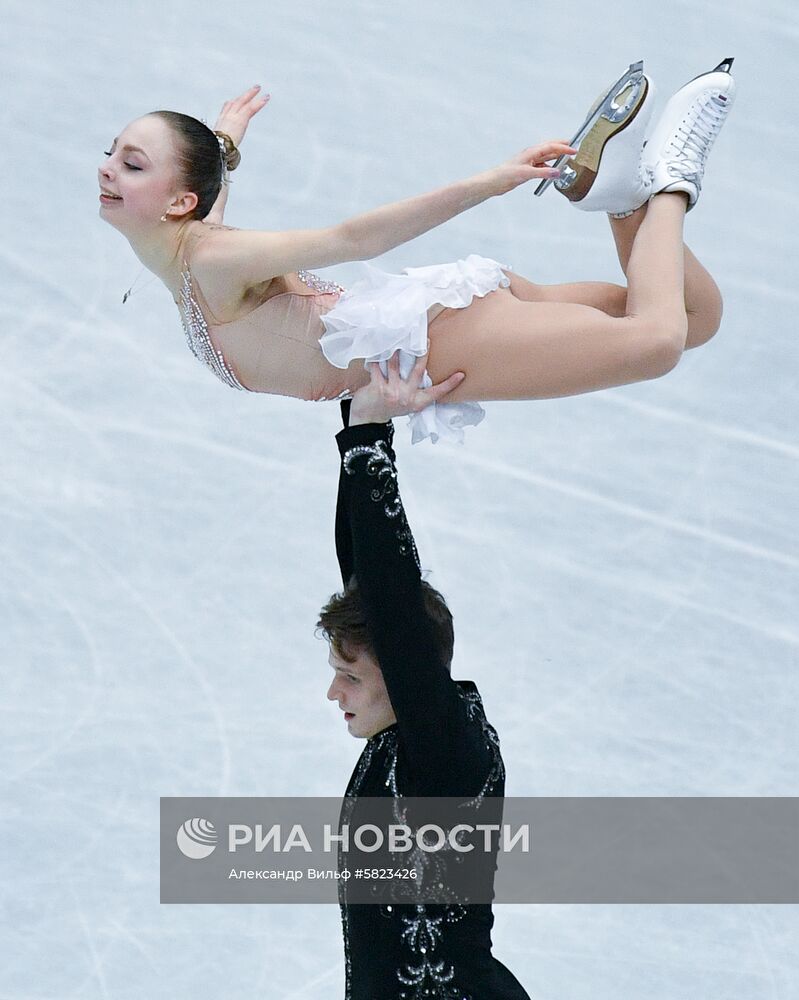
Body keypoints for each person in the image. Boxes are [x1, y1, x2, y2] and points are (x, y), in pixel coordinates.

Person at [98, 59, 736, 443]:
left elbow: (354, 239)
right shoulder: (181, 246)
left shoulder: (208, 260)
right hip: (436, 318)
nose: (107, 172)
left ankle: (673, 174)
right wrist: (224, 146)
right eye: (114, 156)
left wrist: (491, 181)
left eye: (131, 164)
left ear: (180, 201)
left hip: (433, 344)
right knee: (694, 319)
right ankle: (626, 198)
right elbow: (211, 198)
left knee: (656, 342)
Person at [317, 352, 531, 998]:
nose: (334, 693)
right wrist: (360, 424)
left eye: (349, 676)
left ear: (404, 670)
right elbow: (367, 581)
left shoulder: (446, 753)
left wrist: (365, 445)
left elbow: (392, 601)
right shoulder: (410, 739)